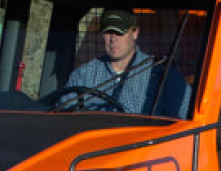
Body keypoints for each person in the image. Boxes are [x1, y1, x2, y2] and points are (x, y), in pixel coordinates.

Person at [58, 9, 191, 116]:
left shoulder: (163, 75)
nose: (113, 39)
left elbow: (188, 122)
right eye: (108, 32)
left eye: (119, 32)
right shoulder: (82, 76)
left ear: (135, 33)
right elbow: (62, 119)